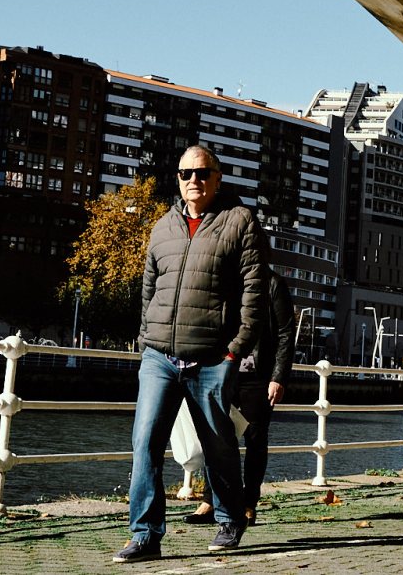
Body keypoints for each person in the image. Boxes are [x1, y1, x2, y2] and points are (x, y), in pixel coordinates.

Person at [114, 145, 266, 563]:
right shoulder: (162, 227)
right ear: (177, 179)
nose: (193, 180)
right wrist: (146, 340)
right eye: (185, 173)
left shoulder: (240, 221)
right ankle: (145, 535)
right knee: (145, 441)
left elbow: (254, 292)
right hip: (160, 357)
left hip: (213, 357)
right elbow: (148, 290)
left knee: (218, 445)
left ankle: (230, 518)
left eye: (202, 173)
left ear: (218, 178)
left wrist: (235, 351)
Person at [187, 263, 296, 526]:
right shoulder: (226, 279)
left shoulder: (273, 283)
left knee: (255, 440)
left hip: (258, 375)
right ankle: (211, 500)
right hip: (222, 369)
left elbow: (285, 333)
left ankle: (248, 504)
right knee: (215, 436)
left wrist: (278, 377)